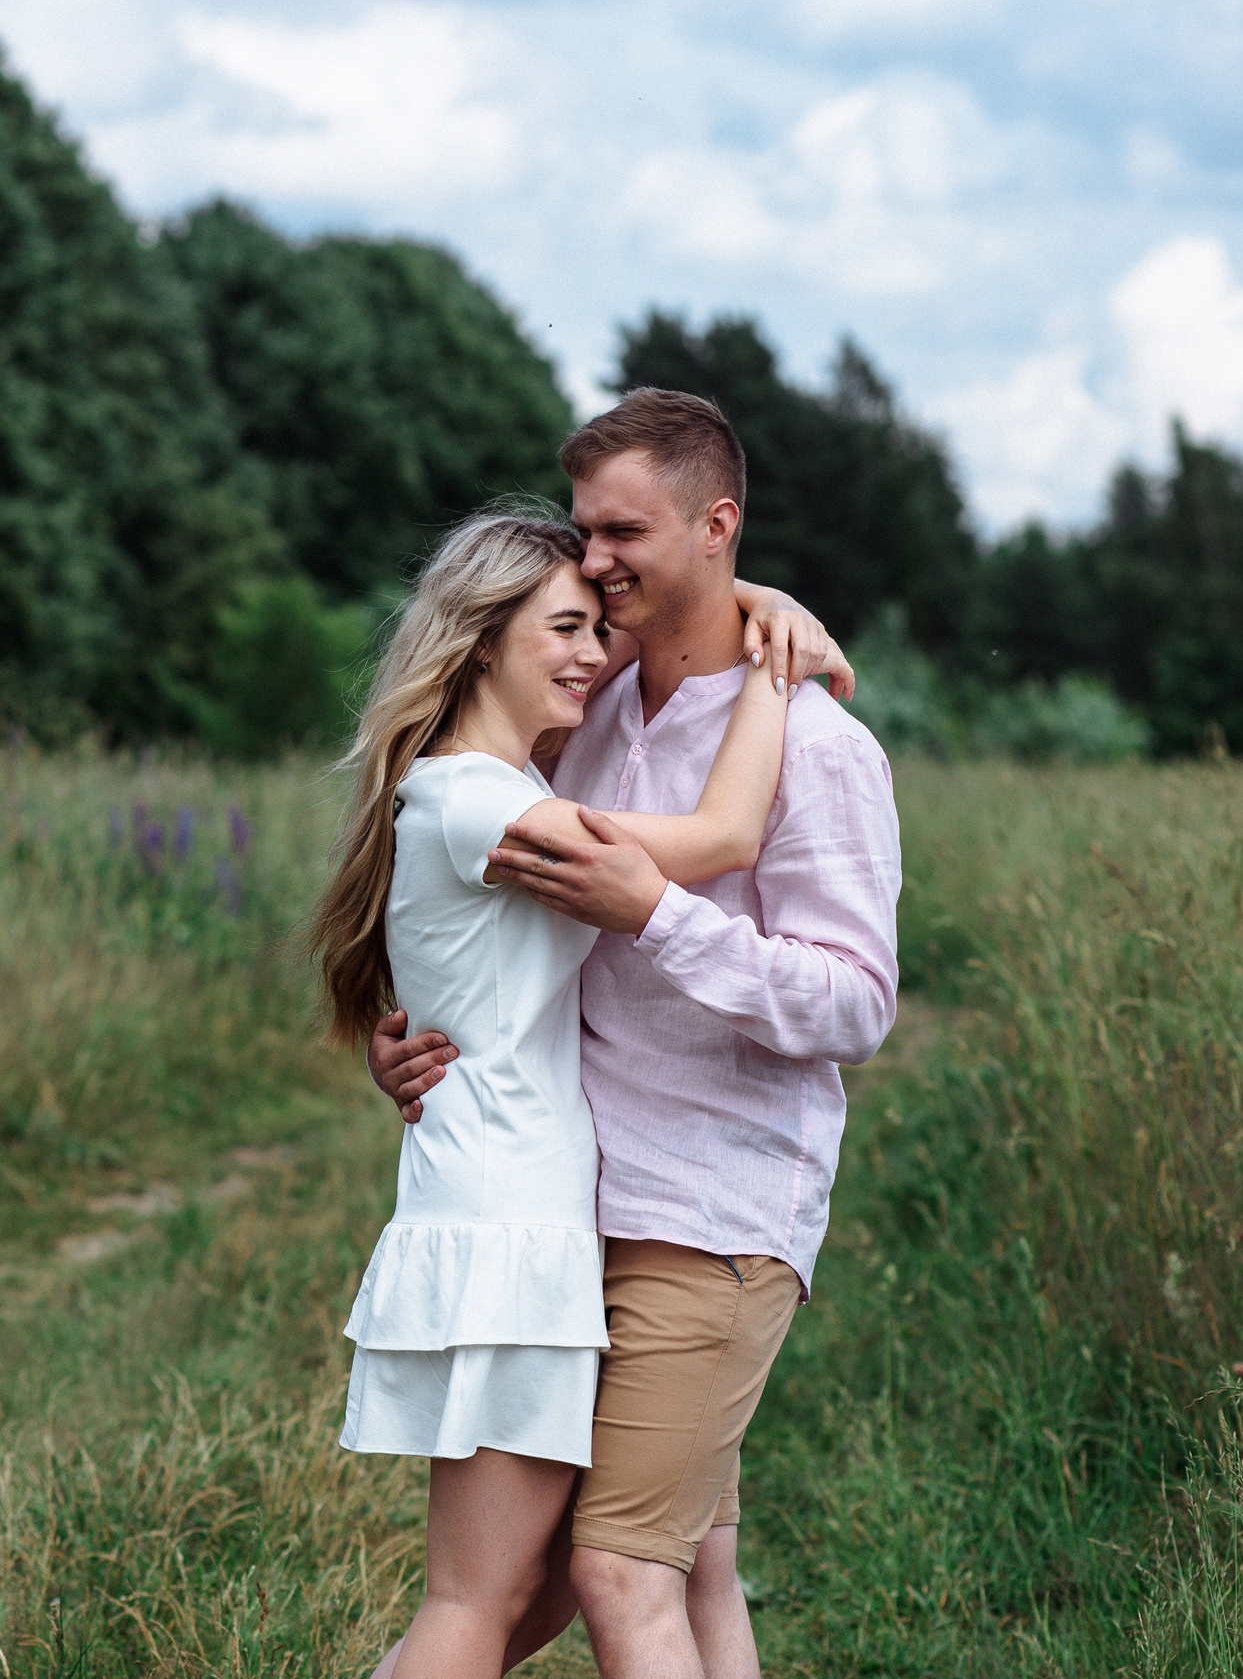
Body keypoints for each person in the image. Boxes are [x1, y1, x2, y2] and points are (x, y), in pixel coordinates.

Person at [370, 388, 901, 1679]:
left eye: (623, 533)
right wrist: (421, 1035)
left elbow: (855, 1005)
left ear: (717, 524)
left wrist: (659, 918)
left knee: (615, 1571)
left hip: (714, 1215)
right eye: (583, 533)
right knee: (660, 1568)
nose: (595, 561)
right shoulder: (584, 715)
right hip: (574, 1211)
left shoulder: (817, 748)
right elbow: (485, 910)